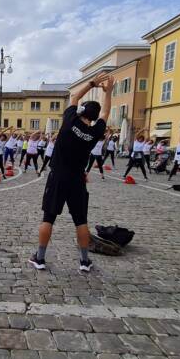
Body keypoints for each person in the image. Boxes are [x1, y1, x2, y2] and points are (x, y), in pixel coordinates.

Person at [29, 72, 113, 272]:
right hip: (77, 179)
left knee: (48, 218)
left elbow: (74, 97)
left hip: (57, 176)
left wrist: (92, 83)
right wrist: (108, 92)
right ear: (93, 118)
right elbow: (106, 113)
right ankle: (84, 262)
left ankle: (40, 258)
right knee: (81, 221)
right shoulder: (95, 132)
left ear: (81, 111)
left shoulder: (69, 121)